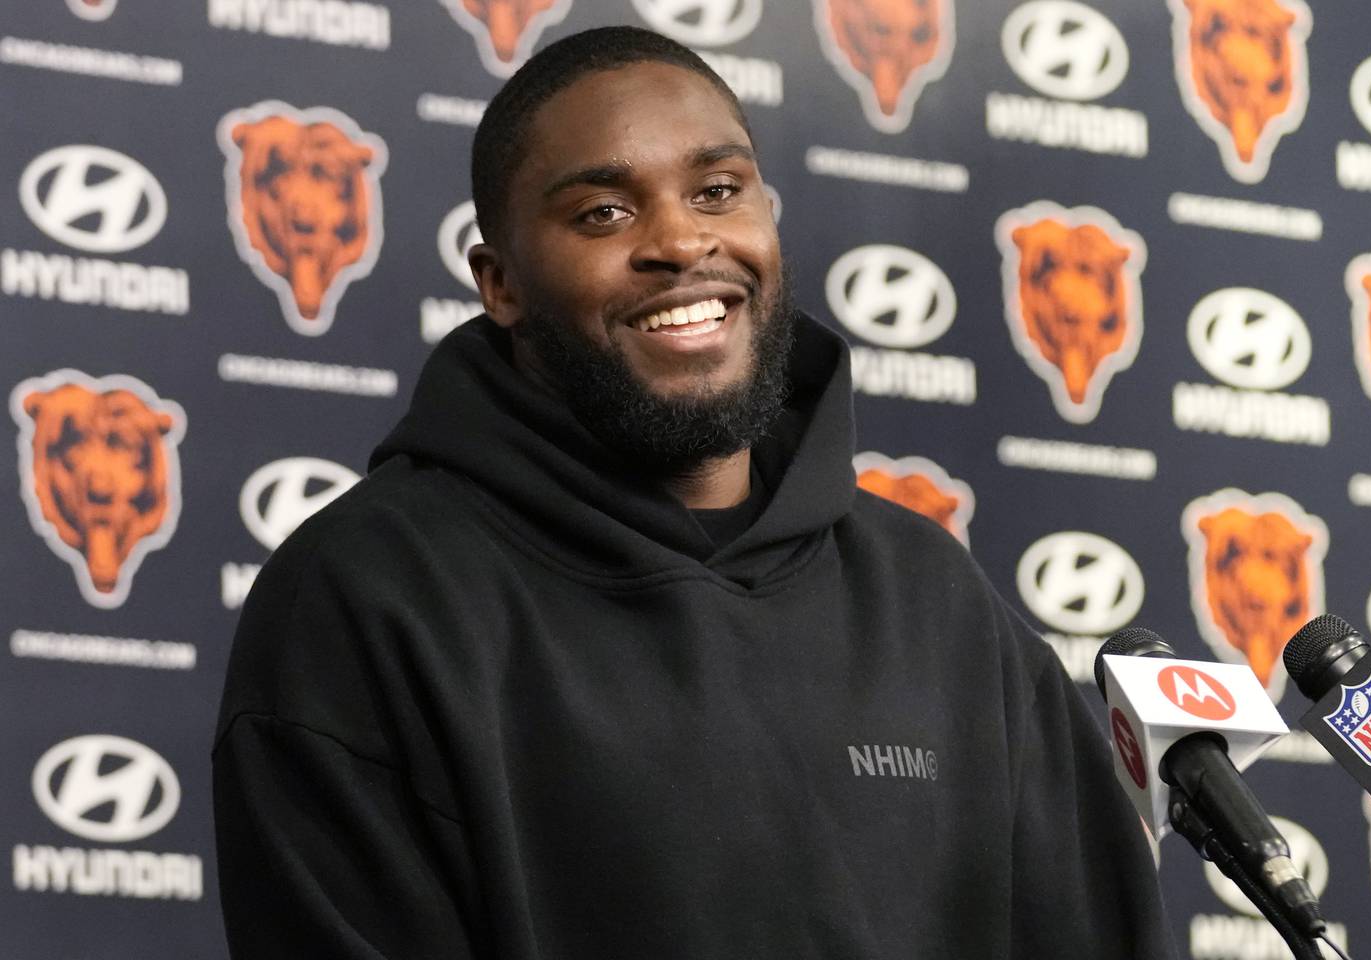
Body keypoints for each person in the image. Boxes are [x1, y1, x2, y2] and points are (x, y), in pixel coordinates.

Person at [212, 25, 1178, 959]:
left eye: (717, 190)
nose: (681, 240)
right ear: (499, 285)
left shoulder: (932, 596)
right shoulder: (366, 599)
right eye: (603, 212)